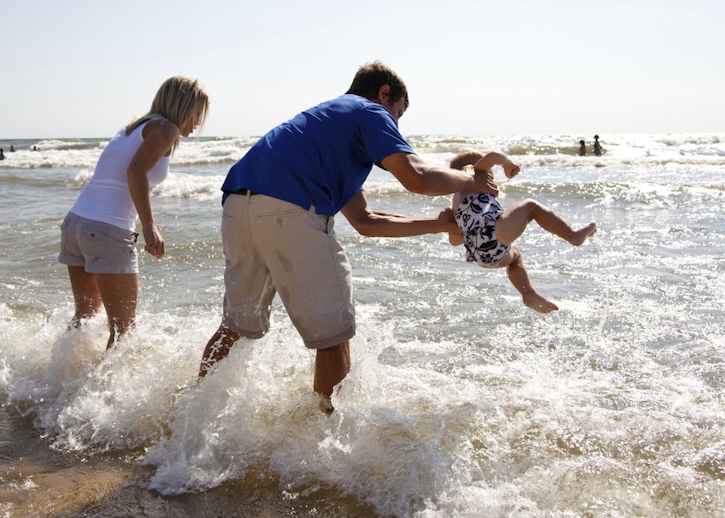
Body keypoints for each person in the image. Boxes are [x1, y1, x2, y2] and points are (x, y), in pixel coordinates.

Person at [198, 61, 497, 412]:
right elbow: (416, 177)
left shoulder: (324, 128)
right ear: (384, 93)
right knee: (334, 337)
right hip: (288, 209)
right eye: (397, 114)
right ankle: (326, 444)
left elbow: (366, 221)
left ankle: (191, 417)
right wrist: (472, 181)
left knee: (234, 326)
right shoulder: (369, 110)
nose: (395, 125)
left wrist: (440, 223)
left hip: (237, 209)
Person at [58, 76, 209, 349]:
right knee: (123, 330)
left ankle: (59, 380)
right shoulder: (166, 129)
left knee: (85, 315)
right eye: (197, 114)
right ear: (183, 107)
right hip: (106, 229)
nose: (198, 123)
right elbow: (135, 172)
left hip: (77, 223)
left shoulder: (134, 127)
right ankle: (103, 392)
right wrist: (150, 226)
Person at [447, 149, 597, 313]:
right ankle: (572, 236)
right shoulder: (474, 174)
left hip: (480, 256)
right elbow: (494, 156)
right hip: (492, 234)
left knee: (515, 257)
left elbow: (454, 241)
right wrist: (506, 164)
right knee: (530, 206)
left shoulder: (455, 201)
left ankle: (528, 293)